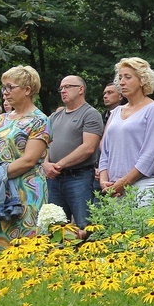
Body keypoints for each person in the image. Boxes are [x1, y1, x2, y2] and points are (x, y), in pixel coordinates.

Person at [0, 66, 51, 250]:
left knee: (25, 249)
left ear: (27, 90)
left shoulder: (39, 120)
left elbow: (29, 160)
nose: (5, 92)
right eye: (4, 87)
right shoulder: (0, 120)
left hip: (25, 192)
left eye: (10, 87)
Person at [98, 57, 154, 204]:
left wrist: (125, 182)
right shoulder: (115, 112)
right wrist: (104, 181)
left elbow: (152, 154)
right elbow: (105, 151)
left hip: (143, 187)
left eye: (128, 77)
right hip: (114, 188)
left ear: (142, 80)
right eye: (120, 77)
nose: (122, 82)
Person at [43, 75, 103, 231]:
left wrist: (58, 165)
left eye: (67, 87)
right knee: (55, 228)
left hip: (80, 177)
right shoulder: (55, 116)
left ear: (81, 89)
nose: (63, 91)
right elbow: (45, 144)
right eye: (61, 88)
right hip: (54, 179)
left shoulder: (90, 114)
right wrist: (45, 164)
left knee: (86, 225)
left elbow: (88, 147)